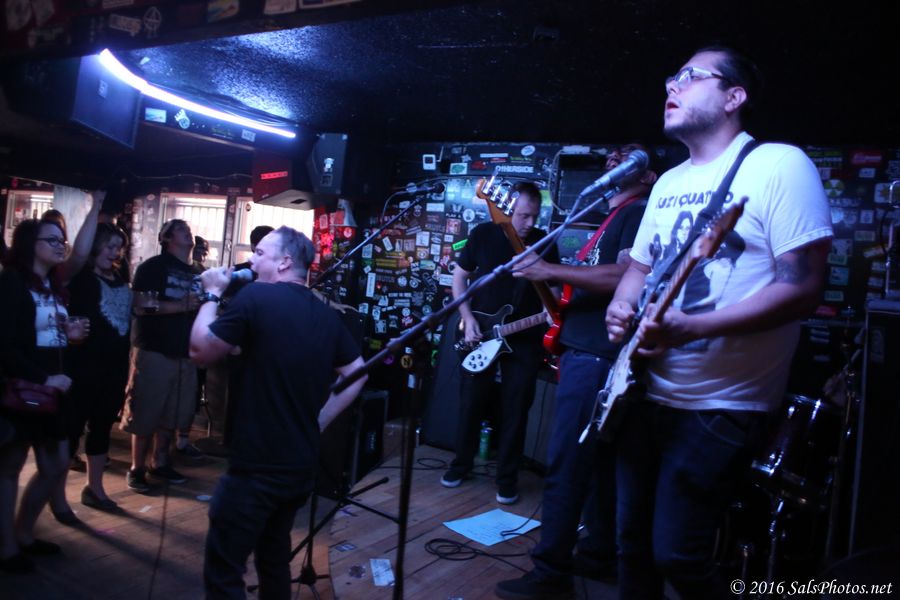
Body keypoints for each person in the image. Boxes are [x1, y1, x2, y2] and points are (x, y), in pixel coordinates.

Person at [605, 46, 832, 599]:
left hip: (720, 403)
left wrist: (694, 328)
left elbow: (803, 288)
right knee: (630, 547)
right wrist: (621, 307)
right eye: (671, 77)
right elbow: (639, 268)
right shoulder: (665, 182)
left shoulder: (778, 165)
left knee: (679, 556)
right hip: (639, 392)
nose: (672, 86)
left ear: (734, 96)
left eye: (690, 76)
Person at [495, 144, 657, 599]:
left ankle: (550, 572)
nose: (614, 159)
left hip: (597, 355)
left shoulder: (638, 212)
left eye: (629, 157)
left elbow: (625, 277)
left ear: (648, 176)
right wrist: (550, 279)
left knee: (567, 464)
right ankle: (597, 553)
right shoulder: (609, 216)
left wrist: (548, 267)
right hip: (587, 350)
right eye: (612, 156)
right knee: (599, 465)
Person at [189, 226, 366, 598]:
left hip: (256, 464)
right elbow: (357, 372)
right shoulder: (325, 315)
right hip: (298, 465)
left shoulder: (256, 296)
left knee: (224, 569)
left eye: (260, 253)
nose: (251, 261)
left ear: (285, 262)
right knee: (273, 559)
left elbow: (200, 350)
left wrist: (212, 293)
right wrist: (319, 420)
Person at [441, 181, 559, 505]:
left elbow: (554, 291)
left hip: (524, 338)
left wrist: (551, 312)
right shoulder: (483, 233)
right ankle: (460, 464)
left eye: (534, 216)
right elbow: (459, 277)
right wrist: (467, 318)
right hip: (480, 332)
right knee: (470, 402)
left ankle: (507, 479)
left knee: (516, 409)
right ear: (507, 210)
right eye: (522, 215)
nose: (529, 223)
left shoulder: (544, 242)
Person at [0, 202, 99, 573]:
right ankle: (8, 547)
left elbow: (45, 335)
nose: (61, 245)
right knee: (10, 467)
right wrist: (43, 378)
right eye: (52, 240)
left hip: (52, 386)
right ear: (30, 245)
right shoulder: (11, 283)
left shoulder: (53, 285)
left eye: (62, 240)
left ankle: (24, 533)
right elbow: (4, 344)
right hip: (23, 384)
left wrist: (69, 335)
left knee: (56, 462)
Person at [120, 218, 199, 492]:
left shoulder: (196, 272)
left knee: (173, 413)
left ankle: (160, 462)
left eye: (188, 229)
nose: (188, 232)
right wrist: (180, 306)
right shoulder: (152, 267)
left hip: (185, 351)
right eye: (181, 229)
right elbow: (140, 306)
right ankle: (136, 467)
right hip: (154, 349)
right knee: (145, 411)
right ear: (166, 238)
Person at [65, 223, 132, 511]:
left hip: (114, 367)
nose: (115, 252)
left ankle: (94, 488)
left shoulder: (120, 276)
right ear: (94, 247)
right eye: (109, 246)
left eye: (118, 247)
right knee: (71, 429)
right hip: (83, 366)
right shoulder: (79, 278)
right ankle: (55, 494)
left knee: (102, 426)